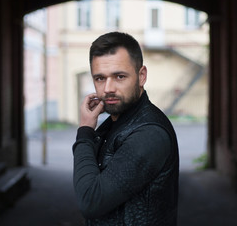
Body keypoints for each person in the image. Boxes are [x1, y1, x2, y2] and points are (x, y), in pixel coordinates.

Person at [72, 32, 179, 226]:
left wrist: (85, 133)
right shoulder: (115, 123)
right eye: (100, 78)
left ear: (141, 76)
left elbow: (91, 201)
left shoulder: (149, 134)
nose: (108, 88)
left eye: (119, 76)